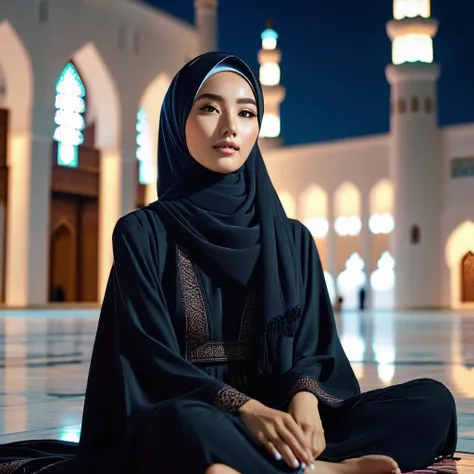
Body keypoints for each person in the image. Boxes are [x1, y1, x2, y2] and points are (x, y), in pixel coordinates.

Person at [0, 53, 457, 474]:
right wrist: (245, 409)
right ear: (178, 121)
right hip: (195, 412)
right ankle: (321, 472)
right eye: (209, 108)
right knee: (184, 428)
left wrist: (304, 399)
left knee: (432, 403)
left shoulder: (292, 238)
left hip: (281, 421)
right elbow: (150, 360)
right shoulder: (143, 233)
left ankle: (256, 466)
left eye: (246, 112)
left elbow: (317, 348)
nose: (230, 128)